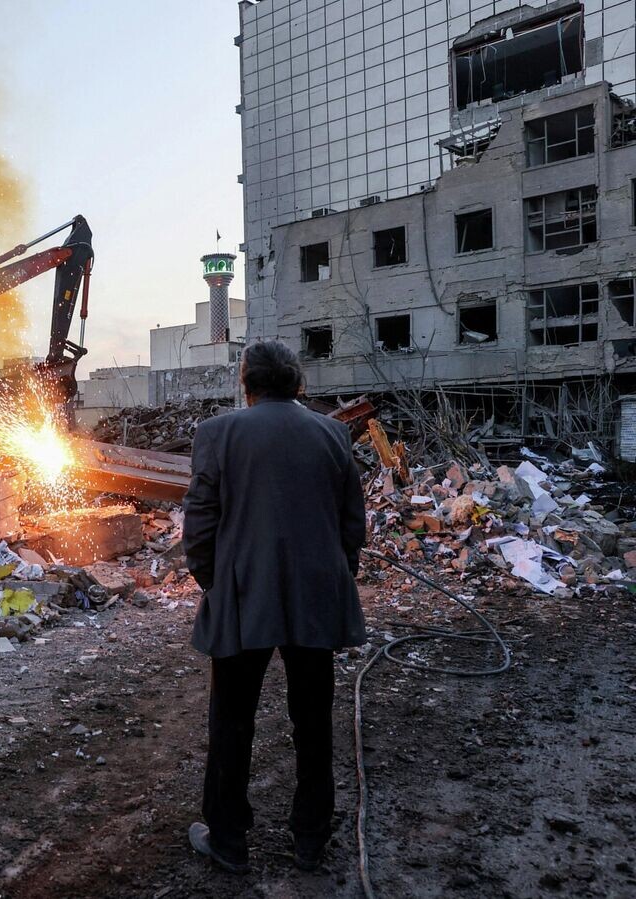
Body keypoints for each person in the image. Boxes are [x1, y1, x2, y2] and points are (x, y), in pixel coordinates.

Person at [182, 339, 366, 874]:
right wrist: (331, 580)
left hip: (244, 597)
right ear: (297, 381)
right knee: (313, 722)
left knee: (232, 722)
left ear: (247, 381)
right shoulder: (334, 432)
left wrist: (218, 585)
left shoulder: (218, 432)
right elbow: (352, 524)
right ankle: (310, 840)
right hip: (316, 597)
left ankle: (228, 841)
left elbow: (199, 525)